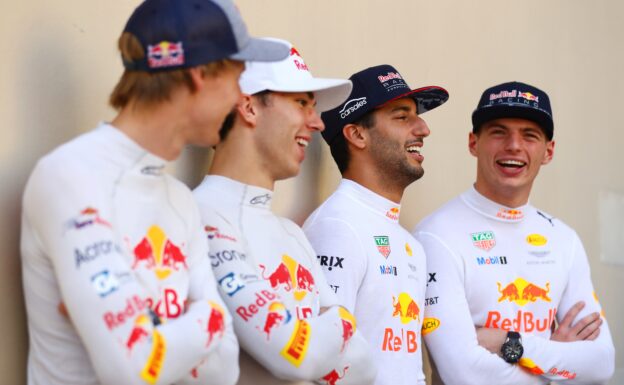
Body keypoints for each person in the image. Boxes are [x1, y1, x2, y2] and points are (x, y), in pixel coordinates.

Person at [20, 1, 289, 384]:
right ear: (199, 74)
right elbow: (134, 368)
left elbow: (224, 370)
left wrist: (162, 332)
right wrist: (206, 318)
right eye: (236, 78)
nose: (237, 99)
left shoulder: (180, 199)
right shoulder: (69, 176)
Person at [193, 38, 377, 385]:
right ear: (248, 107)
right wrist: (340, 320)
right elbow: (297, 357)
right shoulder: (200, 217)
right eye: (302, 103)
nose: (318, 122)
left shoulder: (293, 234)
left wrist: (317, 334)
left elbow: (365, 365)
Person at [413, 81, 615, 384]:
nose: (514, 146)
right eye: (498, 132)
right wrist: (555, 360)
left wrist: (509, 342)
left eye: (529, 135)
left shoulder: (564, 239)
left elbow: (601, 363)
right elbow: (464, 375)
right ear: (473, 143)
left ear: (549, 151)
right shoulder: (435, 236)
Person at [302, 64, 449, 385]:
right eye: (402, 116)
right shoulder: (337, 226)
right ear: (356, 134)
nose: (423, 128)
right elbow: (324, 364)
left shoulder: (408, 242)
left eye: (417, 116)